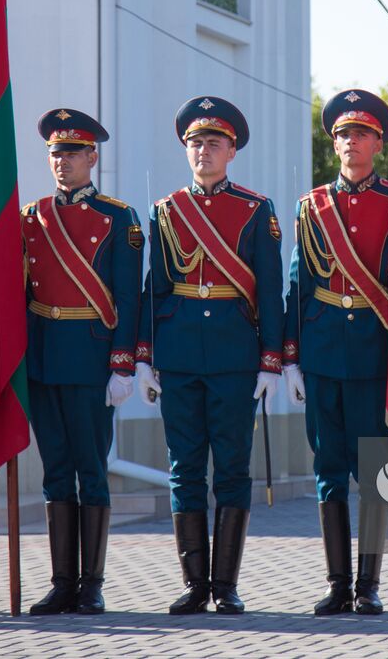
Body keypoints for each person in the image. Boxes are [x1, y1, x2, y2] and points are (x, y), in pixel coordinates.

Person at [138, 96, 284, 615]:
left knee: (232, 471)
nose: (203, 151)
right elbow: (156, 289)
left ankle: (226, 585)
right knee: (184, 469)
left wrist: (272, 360)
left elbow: (270, 290)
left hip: (233, 355)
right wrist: (143, 358)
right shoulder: (166, 210)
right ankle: (194, 583)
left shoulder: (254, 209)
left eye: (213, 143)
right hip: (178, 355)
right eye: (195, 143)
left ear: (232, 151)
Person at [22, 109, 143, 615]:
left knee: (90, 470)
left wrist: (123, 363)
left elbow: (128, 295)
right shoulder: (30, 216)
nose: (62, 162)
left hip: (92, 356)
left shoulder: (119, 217)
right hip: (44, 357)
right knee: (55, 471)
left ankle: (91, 584)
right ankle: (61, 582)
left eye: (72, 153)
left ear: (93, 157)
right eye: (55, 153)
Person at [284, 89, 388, 615]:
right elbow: (297, 285)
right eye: (342, 134)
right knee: (328, 469)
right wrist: (288, 357)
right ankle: (337, 584)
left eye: (360, 133)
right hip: (324, 350)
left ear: (379, 142)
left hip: (377, 355)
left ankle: (368, 585)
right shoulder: (312, 206)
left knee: (373, 472)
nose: (350, 142)